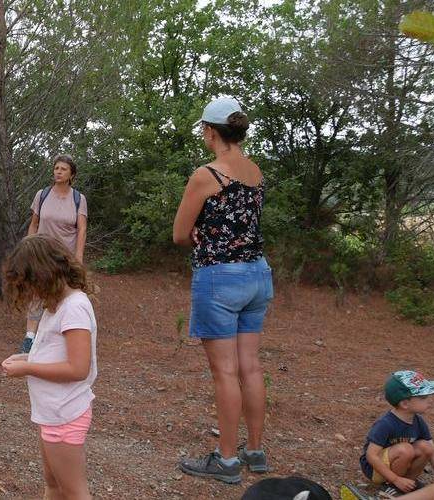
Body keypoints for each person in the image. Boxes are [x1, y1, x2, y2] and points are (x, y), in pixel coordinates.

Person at [173, 97, 273, 484]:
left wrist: (199, 232)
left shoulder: (207, 175)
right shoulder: (255, 171)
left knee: (226, 373)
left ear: (211, 131)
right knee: (251, 366)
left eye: (203, 129)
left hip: (220, 277)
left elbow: (180, 234)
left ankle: (227, 461)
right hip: (258, 274)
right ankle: (255, 451)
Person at [1, 235, 97, 500]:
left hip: (65, 413)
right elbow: (54, 352)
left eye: (30, 284)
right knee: (53, 485)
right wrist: (25, 359)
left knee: (74, 491)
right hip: (53, 413)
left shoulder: (74, 308)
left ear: (44, 274)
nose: (30, 292)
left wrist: (29, 368)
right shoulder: (57, 306)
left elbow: (78, 368)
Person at [20, 154, 88, 353]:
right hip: (41, 253)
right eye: (56, 168)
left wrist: (79, 257)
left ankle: (57, 337)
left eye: (63, 169)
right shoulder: (42, 195)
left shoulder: (78, 199)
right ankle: (30, 338)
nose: (58, 171)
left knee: (63, 294)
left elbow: (82, 229)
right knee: (36, 293)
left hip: (64, 255)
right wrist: (28, 247)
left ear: (71, 175)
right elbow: (34, 224)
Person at [360, 370, 434, 495]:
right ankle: (393, 487)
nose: (429, 401)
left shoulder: (418, 421)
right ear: (405, 403)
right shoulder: (385, 424)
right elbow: (371, 455)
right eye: (423, 398)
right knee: (405, 449)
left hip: (396, 463)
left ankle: (408, 483)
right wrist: (395, 479)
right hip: (375, 469)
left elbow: (433, 452)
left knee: (425, 447)